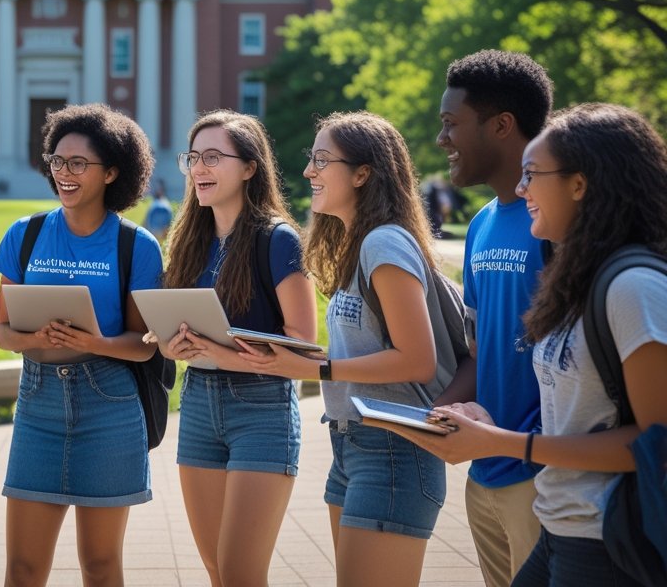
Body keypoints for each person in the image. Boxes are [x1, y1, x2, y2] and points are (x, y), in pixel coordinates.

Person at [384, 103, 667, 586]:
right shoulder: (578, 278)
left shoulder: (633, 287)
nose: (520, 188)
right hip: (562, 525)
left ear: (579, 184)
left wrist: (503, 443)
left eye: (532, 175)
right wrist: (482, 421)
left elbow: (654, 443)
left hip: (609, 540)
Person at [242, 111, 449, 587]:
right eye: (310, 160)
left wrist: (319, 370)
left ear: (362, 173)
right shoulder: (360, 246)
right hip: (351, 444)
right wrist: (280, 357)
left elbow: (418, 359)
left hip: (394, 449)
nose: (309, 172)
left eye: (321, 160)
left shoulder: (385, 243)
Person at [0, 102, 163, 587]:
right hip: (38, 403)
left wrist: (95, 341)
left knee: (101, 565)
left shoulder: (137, 246)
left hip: (109, 405)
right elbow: (1, 333)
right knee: (22, 569)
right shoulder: (24, 235)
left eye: (78, 164)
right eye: (57, 162)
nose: (64, 174)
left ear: (111, 172)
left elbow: (144, 345)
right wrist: (33, 337)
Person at [159, 110, 318, 586]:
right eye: (193, 158)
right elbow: (171, 337)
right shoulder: (189, 238)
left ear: (249, 167)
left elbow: (305, 347)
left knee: (241, 573)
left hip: (261, 412)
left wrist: (225, 353)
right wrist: (173, 346)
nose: (199, 169)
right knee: (217, 572)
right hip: (199, 407)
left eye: (213, 157)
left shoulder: (278, 239)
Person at [434, 50, 554, 586]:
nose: (442, 141)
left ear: (502, 125)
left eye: (451, 124)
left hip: (545, 476)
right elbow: (481, 352)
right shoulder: (483, 223)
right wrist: (433, 412)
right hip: (484, 476)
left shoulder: (558, 224)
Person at [144, 180, 174, 244]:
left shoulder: (152, 204)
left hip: (152, 234)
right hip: (163, 236)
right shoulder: (167, 205)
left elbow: (147, 223)